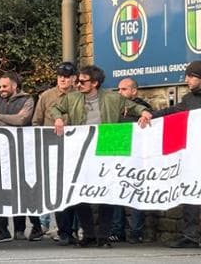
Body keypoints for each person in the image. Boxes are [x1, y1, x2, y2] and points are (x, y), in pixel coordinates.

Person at [51, 65, 152, 248]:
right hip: (82, 146)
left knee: (108, 192)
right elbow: (56, 108)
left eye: (83, 81)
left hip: (109, 142)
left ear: (95, 83)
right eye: (79, 81)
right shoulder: (72, 97)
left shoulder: (113, 98)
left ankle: (104, 236)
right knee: (80, 191)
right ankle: (89, 234)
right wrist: (58, 118)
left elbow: (135, 106)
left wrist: (145, 113)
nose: (78, 84)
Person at [0, 72, 42, 242]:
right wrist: (8, 120)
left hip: (22, 153)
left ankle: (33, 227)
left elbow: (22, 119)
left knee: (25, 191)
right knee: (1, 191)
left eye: (4, 86)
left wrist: (0, 117)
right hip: (1, 154)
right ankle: (3, 229)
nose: (1, 89)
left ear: (14, 86)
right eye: (0, 86)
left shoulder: (27, 100)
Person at [153, 61, 201, 248]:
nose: (186, 79)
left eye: (191, 76)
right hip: (193, 155)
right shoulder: (189, 99)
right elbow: (171, 112)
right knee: (190, 194)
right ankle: (190, 235)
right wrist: (150, 115)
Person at [32, 61, 77, 241]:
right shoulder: (46, 96)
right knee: (58, 191)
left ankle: (75, 229)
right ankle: (64, 231)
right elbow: (36, 121)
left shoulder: (80, 96)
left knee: (75, 191)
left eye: (66, 77)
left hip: (75, 149)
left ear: (74, 78)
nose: (62, 80)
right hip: (52, 150)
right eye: (60, 76)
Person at [108, 77, 152, 244]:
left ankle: (136, 232)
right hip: (117, 154)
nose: (120, 93)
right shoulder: (114, 106)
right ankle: (117, 230)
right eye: (118, 89)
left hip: (136, 157)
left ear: (134, 91)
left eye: (124, 89)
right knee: (116, 194)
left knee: (136, 194)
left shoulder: (145, 108)